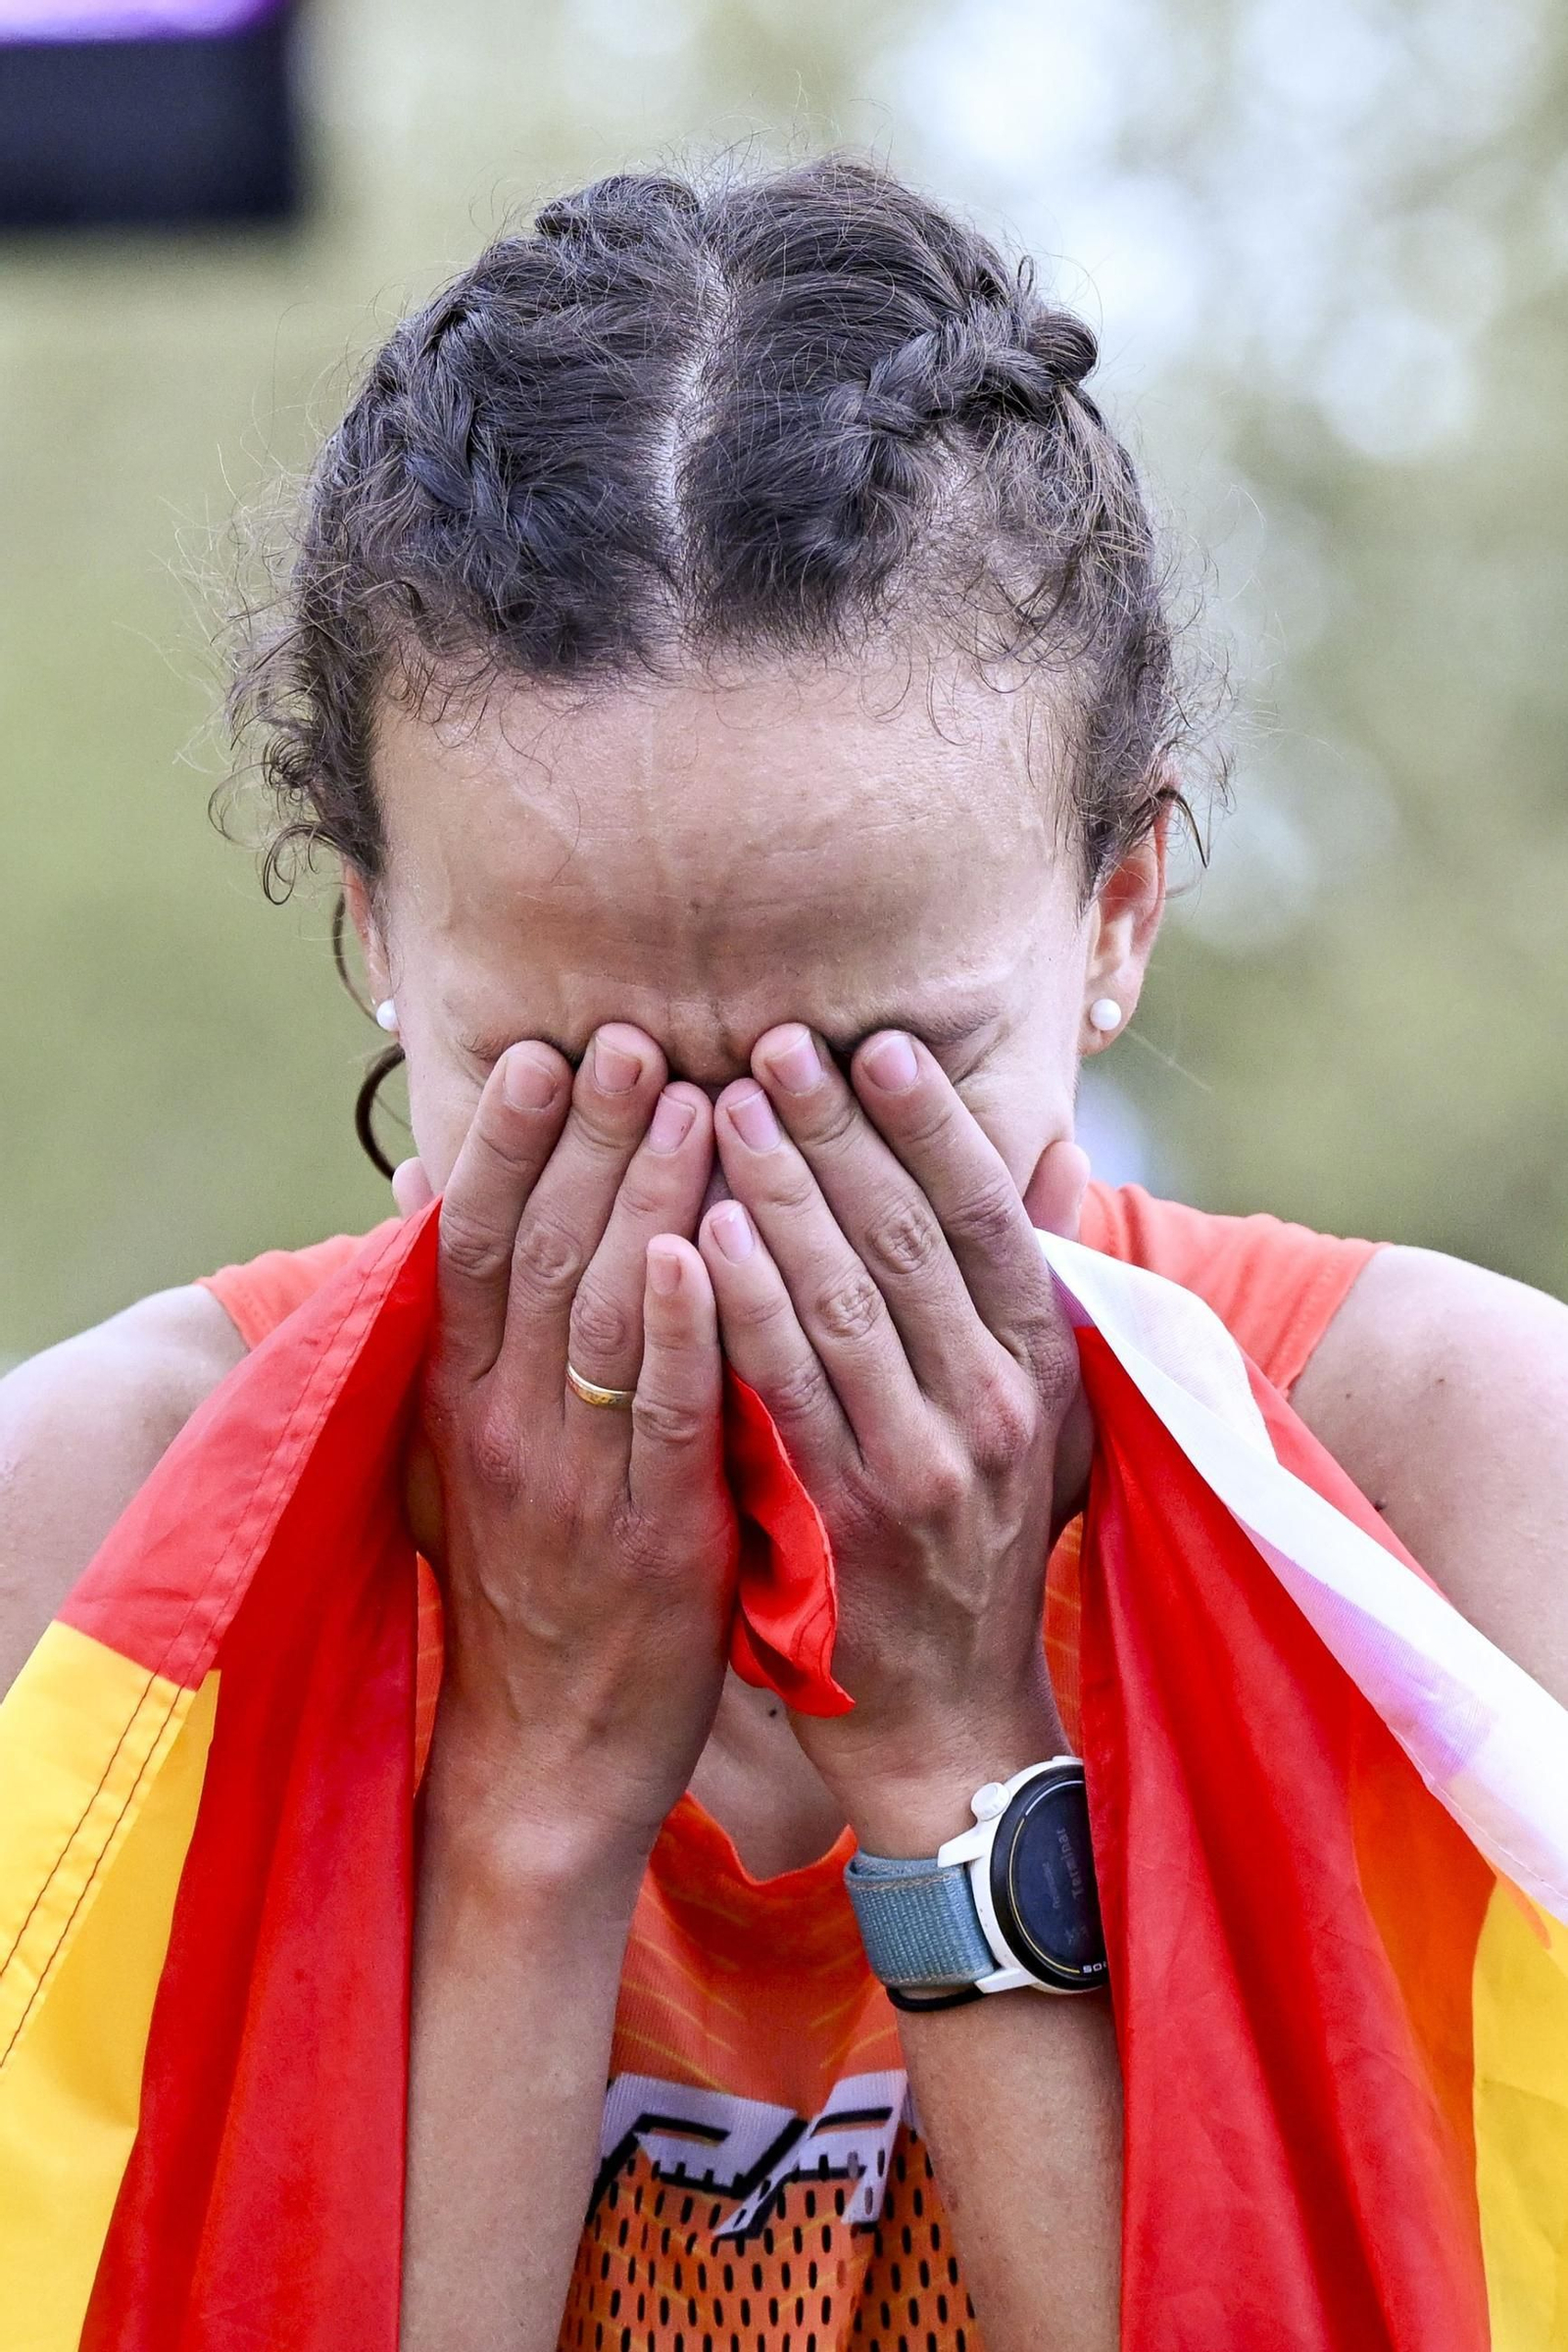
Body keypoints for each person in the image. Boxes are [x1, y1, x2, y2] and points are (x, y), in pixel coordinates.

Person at [2, 158, 1565, 2352]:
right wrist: (533, 1805)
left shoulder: (1452, 1494)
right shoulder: (98, 1545)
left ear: (1116, 908)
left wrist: (947, 1754)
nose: (729, 1211)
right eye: (567, 1072)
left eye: (873, 1070)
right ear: (372, 931)